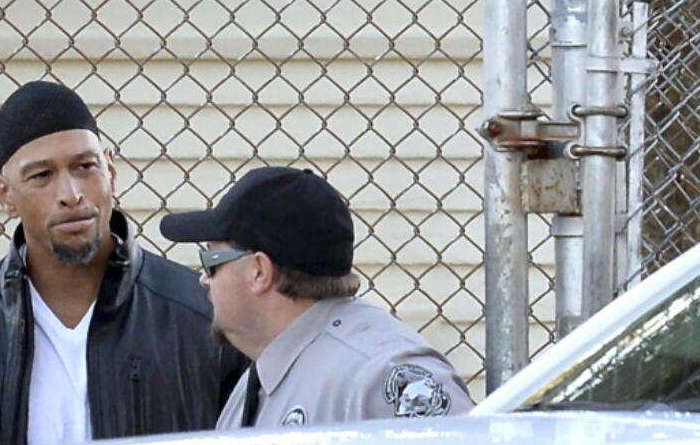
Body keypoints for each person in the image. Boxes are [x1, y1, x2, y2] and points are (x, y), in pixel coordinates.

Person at [0, 81, 246, 445]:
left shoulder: (201, 315)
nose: (71, 194)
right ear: (4, 194)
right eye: (42, 176)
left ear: (110, 169)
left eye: (85, 167)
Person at [161, 166, 474, 428]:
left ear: (259, 271)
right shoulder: (262, 377)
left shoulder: (379, 377)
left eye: (211, 262)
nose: (203, 279)